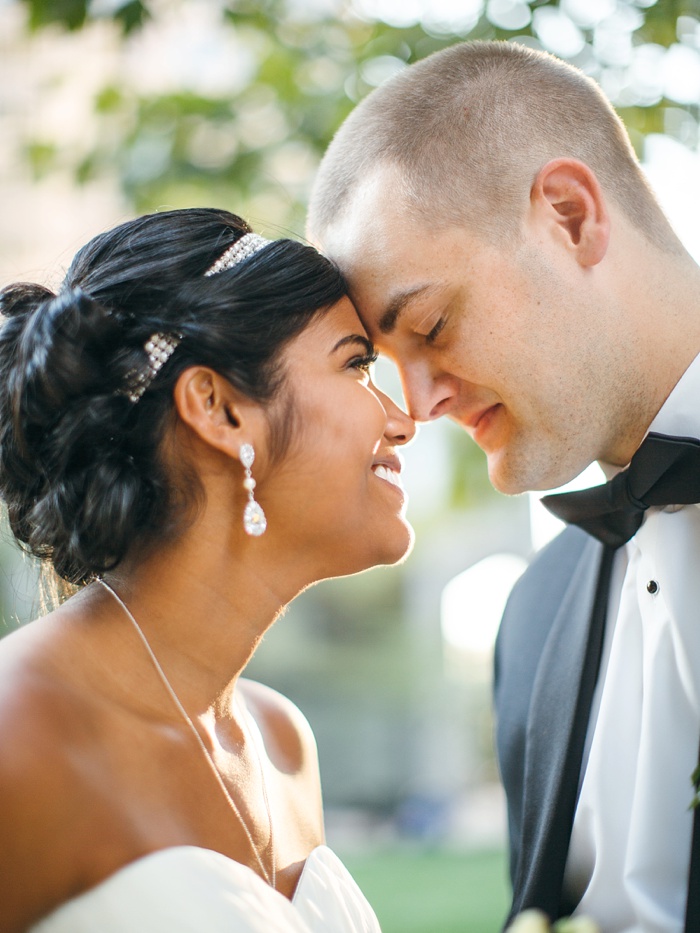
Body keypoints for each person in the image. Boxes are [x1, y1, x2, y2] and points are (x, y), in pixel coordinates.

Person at [307, 39, 700, 933]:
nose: (419, 404)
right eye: (382, 362)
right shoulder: (530, 618)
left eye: (433, 323)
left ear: (569, 215)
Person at [0, 206, 417, 932]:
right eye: (355, 363)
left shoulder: (281, 739)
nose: (403, 418)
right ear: (218, 408)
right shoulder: (23, 735)